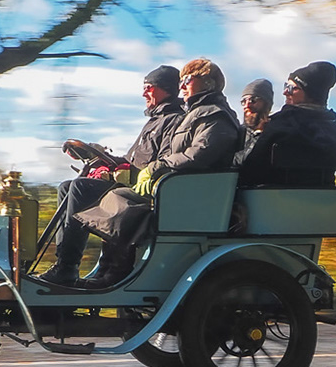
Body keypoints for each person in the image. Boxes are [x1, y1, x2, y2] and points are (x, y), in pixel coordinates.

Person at [72, 58, 241, 287]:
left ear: (208, 84)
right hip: (177, 186)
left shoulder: (215, 115)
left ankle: (113, 272)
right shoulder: (195, 114)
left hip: (190, 194)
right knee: (109, 194)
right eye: (181, 81)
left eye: (188, 80)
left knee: (118, 198)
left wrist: (154, 168)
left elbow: (198, 156)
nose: (182, 86)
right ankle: (100, 269)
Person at [38, 65, 183, 284]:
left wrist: (129, 172)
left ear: (167, 89)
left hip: (142, 190)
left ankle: (67, 268)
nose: (144, 93)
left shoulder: (174, 121)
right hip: (131, 184)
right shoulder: (154, 121)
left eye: (149, 88)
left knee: (80, 188)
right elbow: (130, 160)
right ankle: (64, 263)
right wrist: (96, 154)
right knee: (67, 187)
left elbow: (160, 163)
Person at [239, 60, 336, 187]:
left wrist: (259, 134)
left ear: (310, 93)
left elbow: (250, 168)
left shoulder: (279, 125)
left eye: (292, 88)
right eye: (285, 86)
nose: (285, 92)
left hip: (272, 202)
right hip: (325, 202)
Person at [234, 78, 273, 165]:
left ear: (266, 104)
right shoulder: (237, 133)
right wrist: (258, 134)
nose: (247, 105)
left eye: (253, 100)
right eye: (244, 101)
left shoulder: (276, 132)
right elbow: (237, 163)